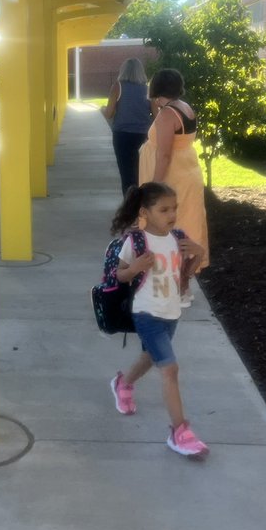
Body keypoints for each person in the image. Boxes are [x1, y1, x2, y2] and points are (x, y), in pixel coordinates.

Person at [107, 182, 209, 458]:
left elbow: (182, 275)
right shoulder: (136, 241)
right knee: (170, 369)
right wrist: (136, 267)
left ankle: (123, 383)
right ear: (145, 212)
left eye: (174, 208)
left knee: (150, 357)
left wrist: (196, 255)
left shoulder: (177, 237)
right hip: (146, 311)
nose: (171, 214)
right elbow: (120, 275)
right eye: (164, 209)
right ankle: (180, 432)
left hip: (171, 310)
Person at [137, 68, 209, 293]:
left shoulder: (168, 114)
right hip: (186, 174)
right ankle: (183, 287)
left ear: (156, 89)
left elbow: (165, 154)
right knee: (185, 228)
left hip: (172, 180)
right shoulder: (184, 107)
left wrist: (153, 189)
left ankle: (179, 288)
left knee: (169, 230)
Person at [102, 58, 151, 195]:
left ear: (123, 70)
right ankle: (142, 206)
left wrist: (104, 110)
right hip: (144, 136)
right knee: (142, 173)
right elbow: (157, 114)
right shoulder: (148, 89)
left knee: (127, 174)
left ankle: (130, 207)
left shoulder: (118, 86)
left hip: (122, 136)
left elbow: (109, 113)